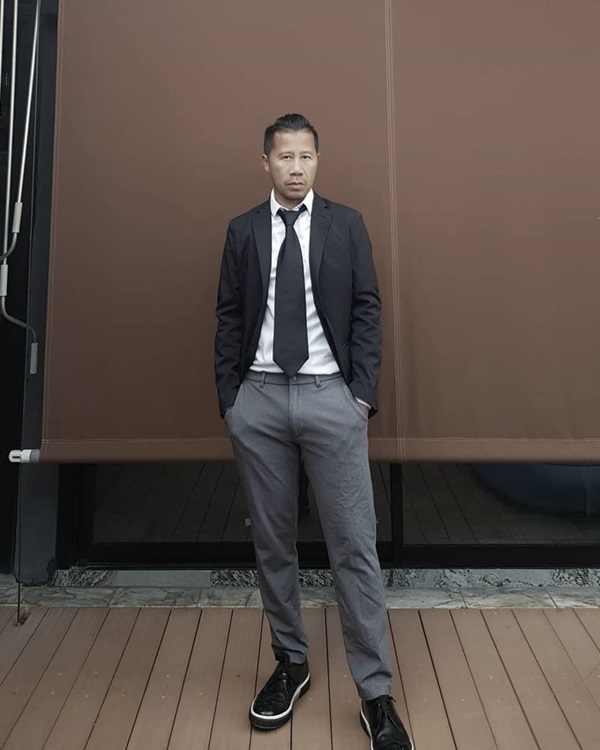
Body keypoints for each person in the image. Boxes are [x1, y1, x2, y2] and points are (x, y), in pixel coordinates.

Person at [214, 114, 413, 750]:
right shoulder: (243, 230)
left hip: (332, 399)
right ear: (265, 163)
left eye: (305, 157)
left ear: (317, 162)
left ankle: (375, 694)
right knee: (273, 544)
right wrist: (232, 402)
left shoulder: (345, 225)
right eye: (284, 157)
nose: (295, 167)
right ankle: (291, 663)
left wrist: (360, 396)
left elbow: (367, 308)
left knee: (354, 546)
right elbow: (228, 316)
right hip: (260, 400)